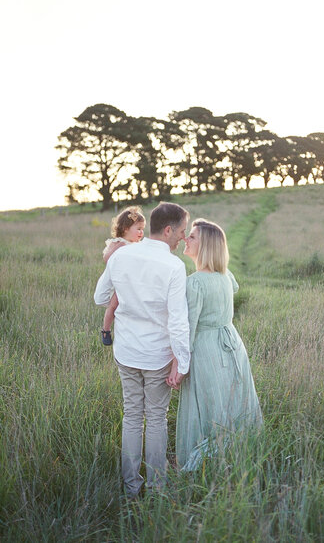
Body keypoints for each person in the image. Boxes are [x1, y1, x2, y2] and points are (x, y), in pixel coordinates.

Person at [94, 202, 190, 497]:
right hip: (157, 355)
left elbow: (100, 297)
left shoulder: (122, 256)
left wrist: (126, 296)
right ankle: (157, 486)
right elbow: (177, 321)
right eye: (183, 232)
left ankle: (131, 487)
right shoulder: (174, 266)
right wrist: (182, 363)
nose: (184, 238)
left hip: (126, 352)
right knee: (156, 418)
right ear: (169, 230)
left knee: (133, 415)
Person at [171, 219, 263, 471]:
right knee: (230, 404)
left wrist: (180, 364)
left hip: (208, 348)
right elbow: (233, 286)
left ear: (205, 246)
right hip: (232, 343)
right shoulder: (225, 275)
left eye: (192, 237)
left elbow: (188, 327)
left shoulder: (196, 282)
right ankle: (232, 456)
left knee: (207, 407)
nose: (185, 240)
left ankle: (201, 466)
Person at [101, 206, 146, 346]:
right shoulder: (120, 244)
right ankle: (106, 330)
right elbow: (107, 258)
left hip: (134, 281)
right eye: (138, 229)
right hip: (121, 281)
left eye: (142, 229)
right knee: (114, 305)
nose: (141, 232)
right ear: (126, 229)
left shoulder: (135, 245)